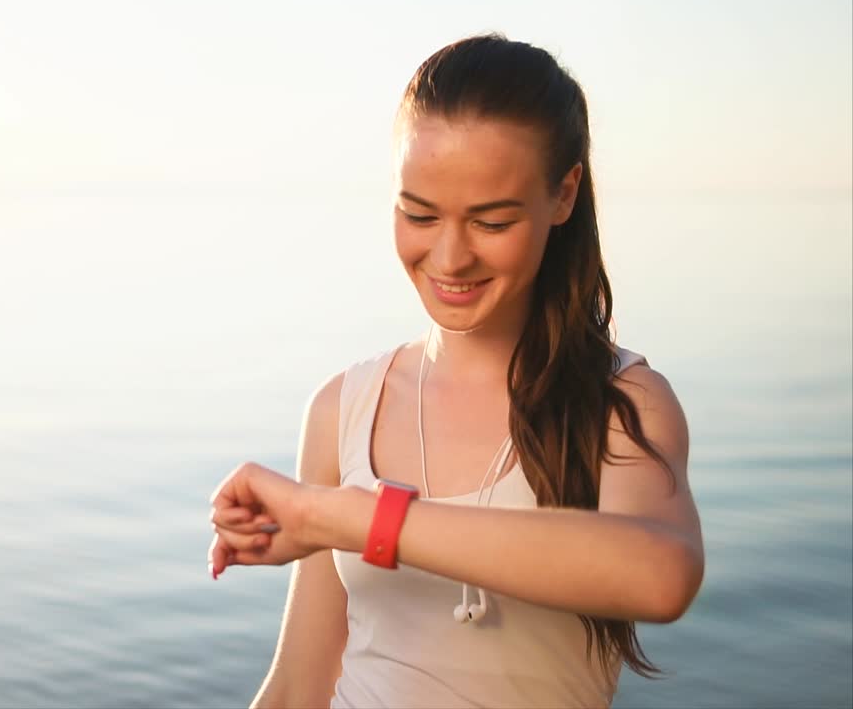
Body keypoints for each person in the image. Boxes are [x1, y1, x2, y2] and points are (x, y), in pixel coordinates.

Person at [205, 34, 704, 709]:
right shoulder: (344, 407)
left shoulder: (622, 402)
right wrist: (330, 518)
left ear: (563, 195)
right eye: (419, 214)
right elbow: (299, 685)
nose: (449, 256)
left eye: (491, 221)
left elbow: (660, 575)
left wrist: (353, 520)